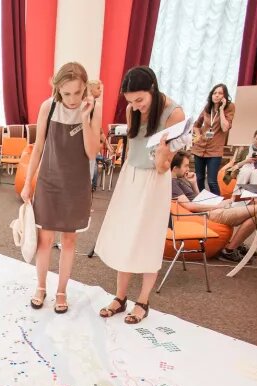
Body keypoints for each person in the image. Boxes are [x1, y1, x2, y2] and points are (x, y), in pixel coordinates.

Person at [94, 66, 184, 323]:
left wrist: (164, 151)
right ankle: (120, 297)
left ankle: (143, 301)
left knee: (147, 238)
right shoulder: (131, 109)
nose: (136, 106)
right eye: (130, 101)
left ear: (153, 89)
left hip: (155, 180)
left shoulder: (174, 114)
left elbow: (163, 166)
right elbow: (133, 146)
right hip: (130, 176)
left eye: (140, 100)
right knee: (125, 235)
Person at [20, 62, 101, 314]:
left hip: (76, 185)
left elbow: (91, 152)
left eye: (77, 92)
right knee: (45, 240)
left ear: (84, 88)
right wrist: (27, 183)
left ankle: (62, 291)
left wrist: (86, 118)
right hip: (49, 182)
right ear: (58, 90)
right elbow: (39, 147)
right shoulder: (49, 106)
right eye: (67, 93)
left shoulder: (92, 108)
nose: (73, 99)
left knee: (69, 240)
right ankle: (41, 287)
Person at [170, 151, 257, 262]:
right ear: (175, 168)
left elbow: (198, 199)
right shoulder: (172, 183)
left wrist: (193, 183)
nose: (188, 169)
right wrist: (218, 206)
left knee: (256, 206)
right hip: (208, 214)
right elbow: (190, 207)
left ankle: (234, 244)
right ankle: (229, 250)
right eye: (186, 166)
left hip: (210, 207)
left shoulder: (179, 180)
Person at [191, 83, 234, 195]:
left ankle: (217, 206)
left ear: (225, 96)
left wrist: (221, 109)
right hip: (200, 148)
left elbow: (225, 128)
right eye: (214, 93)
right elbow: (196, 125)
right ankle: (202, 201)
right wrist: (198, 136)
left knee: (211, 181)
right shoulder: (207, 108)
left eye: (220, 93)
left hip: (214, 150)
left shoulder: (230, 108)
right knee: (199, 178)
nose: (217, 95)